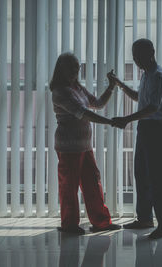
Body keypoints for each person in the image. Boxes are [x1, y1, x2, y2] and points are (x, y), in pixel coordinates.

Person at [50, 52, 121, 234]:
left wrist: (111, 87)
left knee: (92, 182)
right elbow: (84, 112)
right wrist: (110, 122)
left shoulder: (76, 88)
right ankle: (69, 225)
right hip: (68, 147)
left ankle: (101, 222)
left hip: (84, 145)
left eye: (77, 67)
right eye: (71, 67)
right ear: (61, 69)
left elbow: (97, 104)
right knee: (69, 186)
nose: (75, 70)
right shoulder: (60, 91)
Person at [111, 39, 162, 239]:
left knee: (158, 178)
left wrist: (127, 119)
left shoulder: (157, 76)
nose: (136, 60)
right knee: (142, 174)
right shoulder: (147, 75)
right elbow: (141, 98)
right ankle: (145, 218)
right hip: (146, 128)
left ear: (152, 52)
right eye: (135, 56)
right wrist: (120, 84)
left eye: (139, 55)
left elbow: (153, 107)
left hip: (157, 129)